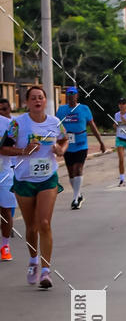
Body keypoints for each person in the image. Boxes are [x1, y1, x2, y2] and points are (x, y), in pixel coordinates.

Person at [0, 85, 67, 288]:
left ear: (45, 101)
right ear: (27, 102)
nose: (37, 101)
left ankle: (46, 271)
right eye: (33, 98)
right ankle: (33, 260)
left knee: (44, 222)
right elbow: (3, 147)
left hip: (48, 178)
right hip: (24, 179)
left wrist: (59, 149)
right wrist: (23, 150)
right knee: (31, 227)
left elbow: (65, 142)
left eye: (41, 97)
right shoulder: (17, 124)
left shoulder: (56, 123)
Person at [56, 85, 105, 208]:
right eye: (69, 94)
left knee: (78, 169)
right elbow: (55, 127)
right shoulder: (61, 110)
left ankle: (75, 200)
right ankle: (78, 194)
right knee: (71, 173)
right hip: (67, 145)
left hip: (81, 144)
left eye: (73, 93)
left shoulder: (84, 109)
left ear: (77, 95)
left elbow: (92, 126)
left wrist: (101, 142)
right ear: (66, 96)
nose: (71, 96)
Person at [0, 97, 16, 260]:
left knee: (6, 209)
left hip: (5, 172)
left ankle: (5, 246)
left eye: (5, 109)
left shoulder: (12, 125)